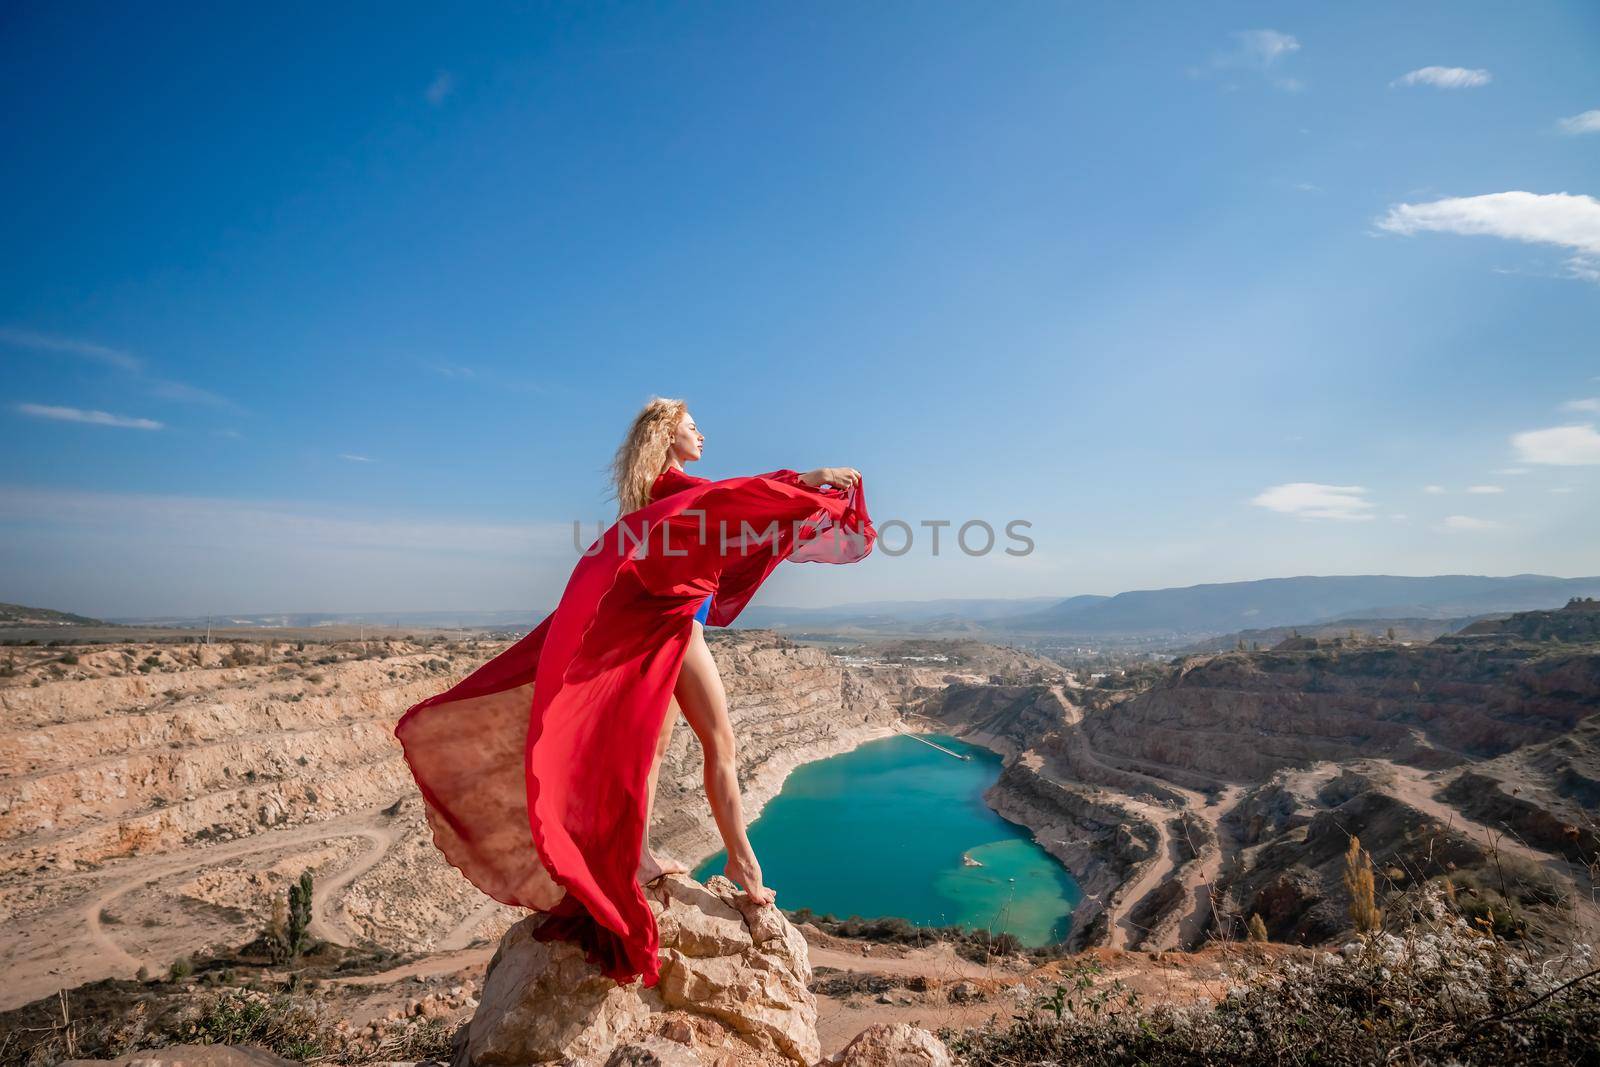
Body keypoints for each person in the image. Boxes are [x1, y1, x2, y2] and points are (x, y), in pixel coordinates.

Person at [394, 395, 875, 988]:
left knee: (648, 749)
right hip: (676, 627)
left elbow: (726, 507)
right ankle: (743, 863)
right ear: (667, 435)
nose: (703, 435)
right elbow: (733, 498)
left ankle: (639, 856)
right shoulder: (672, 484)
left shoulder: (653, 488)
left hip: (664, 627)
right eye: (693, 427)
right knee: (720, 742)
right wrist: (806, 480)